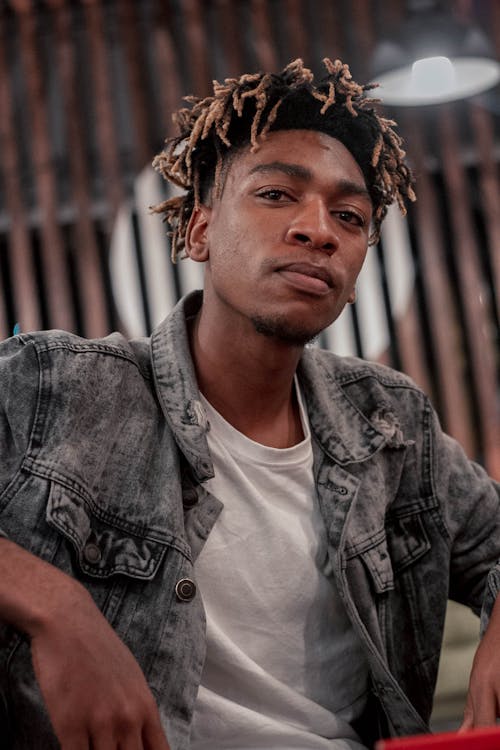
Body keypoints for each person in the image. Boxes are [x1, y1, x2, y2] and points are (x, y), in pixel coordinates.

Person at [0, 57, 498, 750]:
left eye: (348, 216)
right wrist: (53, 604)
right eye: (276, 196)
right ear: (200, 231)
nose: (317, 229)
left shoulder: (391, 424)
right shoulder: (59, 389)